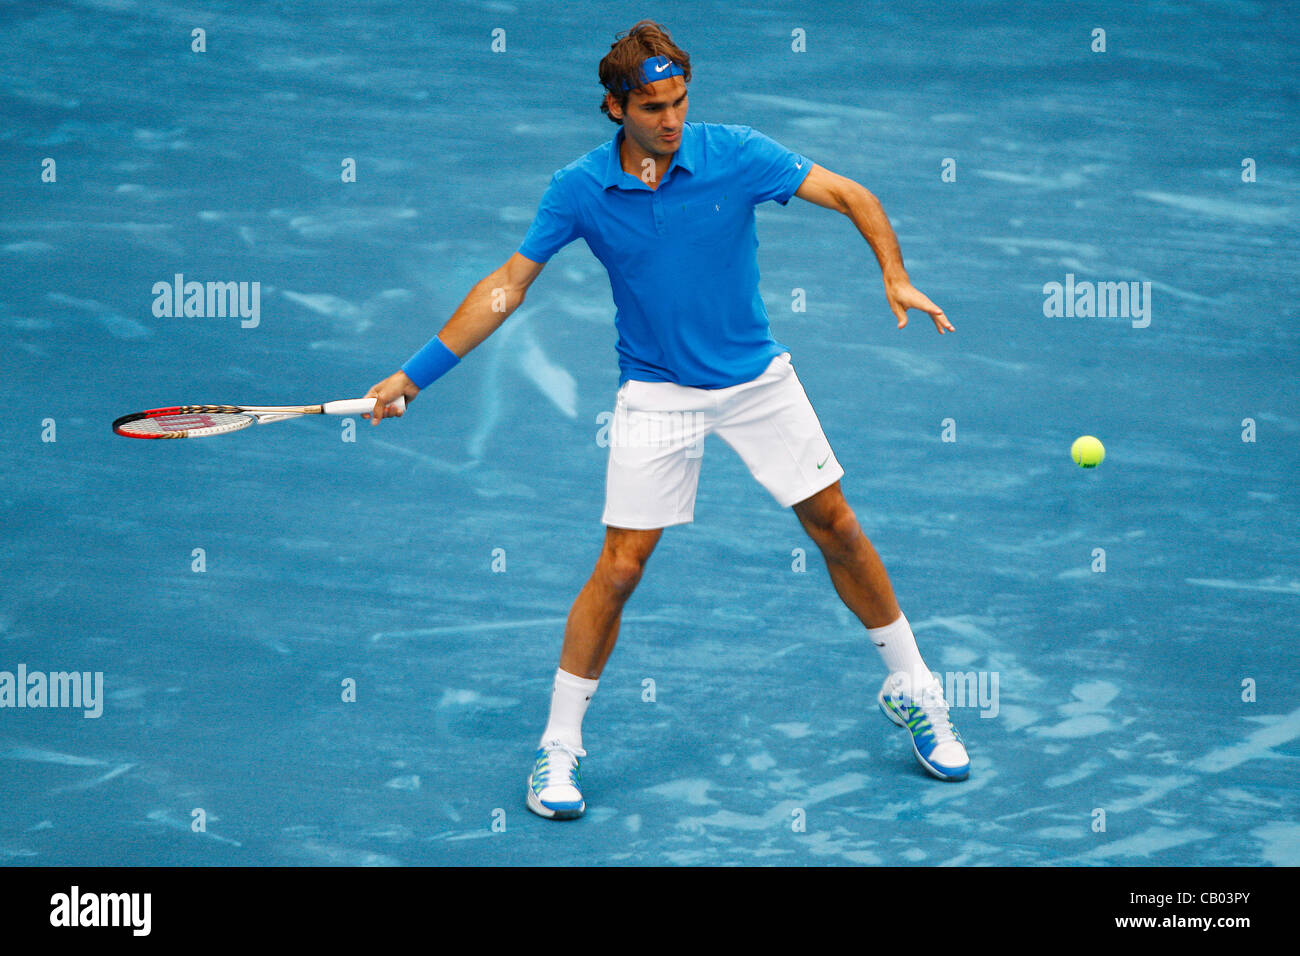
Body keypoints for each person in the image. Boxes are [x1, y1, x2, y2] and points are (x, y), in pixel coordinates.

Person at [364, 20, 969, 821]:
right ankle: (557, 748)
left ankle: (914, 689)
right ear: (615, 109)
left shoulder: (737, 154)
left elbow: (855, 195)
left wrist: (894, 277)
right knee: (619, 569)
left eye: (680, 100)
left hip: (757, 380)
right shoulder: (579, 188)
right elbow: (508, 285)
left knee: (838, 527)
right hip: (656, 391)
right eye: (653, 107)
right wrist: (416, 375)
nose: (673, 120)